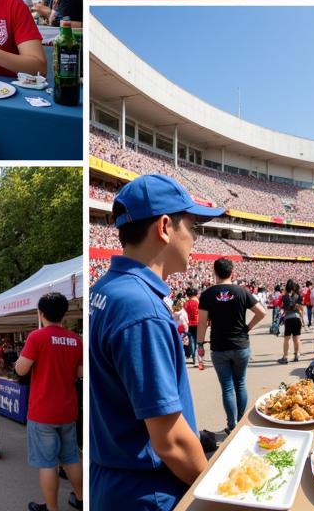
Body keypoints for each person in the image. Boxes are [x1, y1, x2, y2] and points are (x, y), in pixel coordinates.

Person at [89, 174, 225, 510]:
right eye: (193, 226)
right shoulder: (141, 308)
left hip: (114, 476)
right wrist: (216, 494)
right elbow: (171, 441)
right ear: (165, 226)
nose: (196, 237)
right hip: (146, 490)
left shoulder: (104, 290)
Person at [15, 292, 84, 511]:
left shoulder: (37, 337)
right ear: (64, 314)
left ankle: (52, 508)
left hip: (43, 410)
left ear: (41, 313)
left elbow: (21, 368)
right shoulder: (75, 339)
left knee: (47, 463)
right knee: (71, 457)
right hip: (67, 408)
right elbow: (80, 373)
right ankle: (82, 500)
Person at [197, 258, 266, 430]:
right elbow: (262, 312)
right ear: (232, 272)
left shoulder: (207, 294)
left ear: (215, 272)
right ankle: (241, 422)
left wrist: (199, 344)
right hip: (241, 345)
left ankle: (231, 424)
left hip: (219, 347)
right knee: (240, 383)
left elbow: (202, 323)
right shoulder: (242, 292)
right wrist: (247, 327)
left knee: (227, 388)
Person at [278, 279, 304, 364]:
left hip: (288, 319)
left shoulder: (284, 297)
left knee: (287, 339)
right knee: (296, 338)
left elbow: (282, 307)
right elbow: (301, 307)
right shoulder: (298, 296)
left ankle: (285, 356)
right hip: (297, 318)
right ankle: (297, 355)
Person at [183, 287, 200, 366]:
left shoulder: (185, 304)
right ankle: (197, 359)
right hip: (197, 324)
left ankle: (194, 358)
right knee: (198, 342)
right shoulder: (197, 303)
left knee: (192, 341)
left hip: (188, 324)